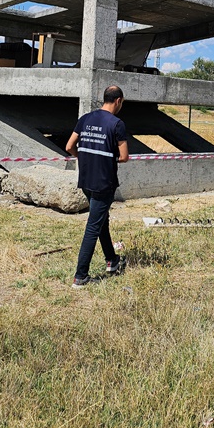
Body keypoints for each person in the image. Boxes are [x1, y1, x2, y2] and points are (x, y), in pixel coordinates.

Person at [65, 85, 130, 287]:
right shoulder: (117, 124)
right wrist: (105, 160)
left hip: (86, 180)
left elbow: (69, 147)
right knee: (93, 226)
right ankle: (80, 276)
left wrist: (84, 158)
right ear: (118, 101)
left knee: (102, 220)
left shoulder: (85, 119)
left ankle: (112, 260)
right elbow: (124, 156)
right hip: (104, 182)